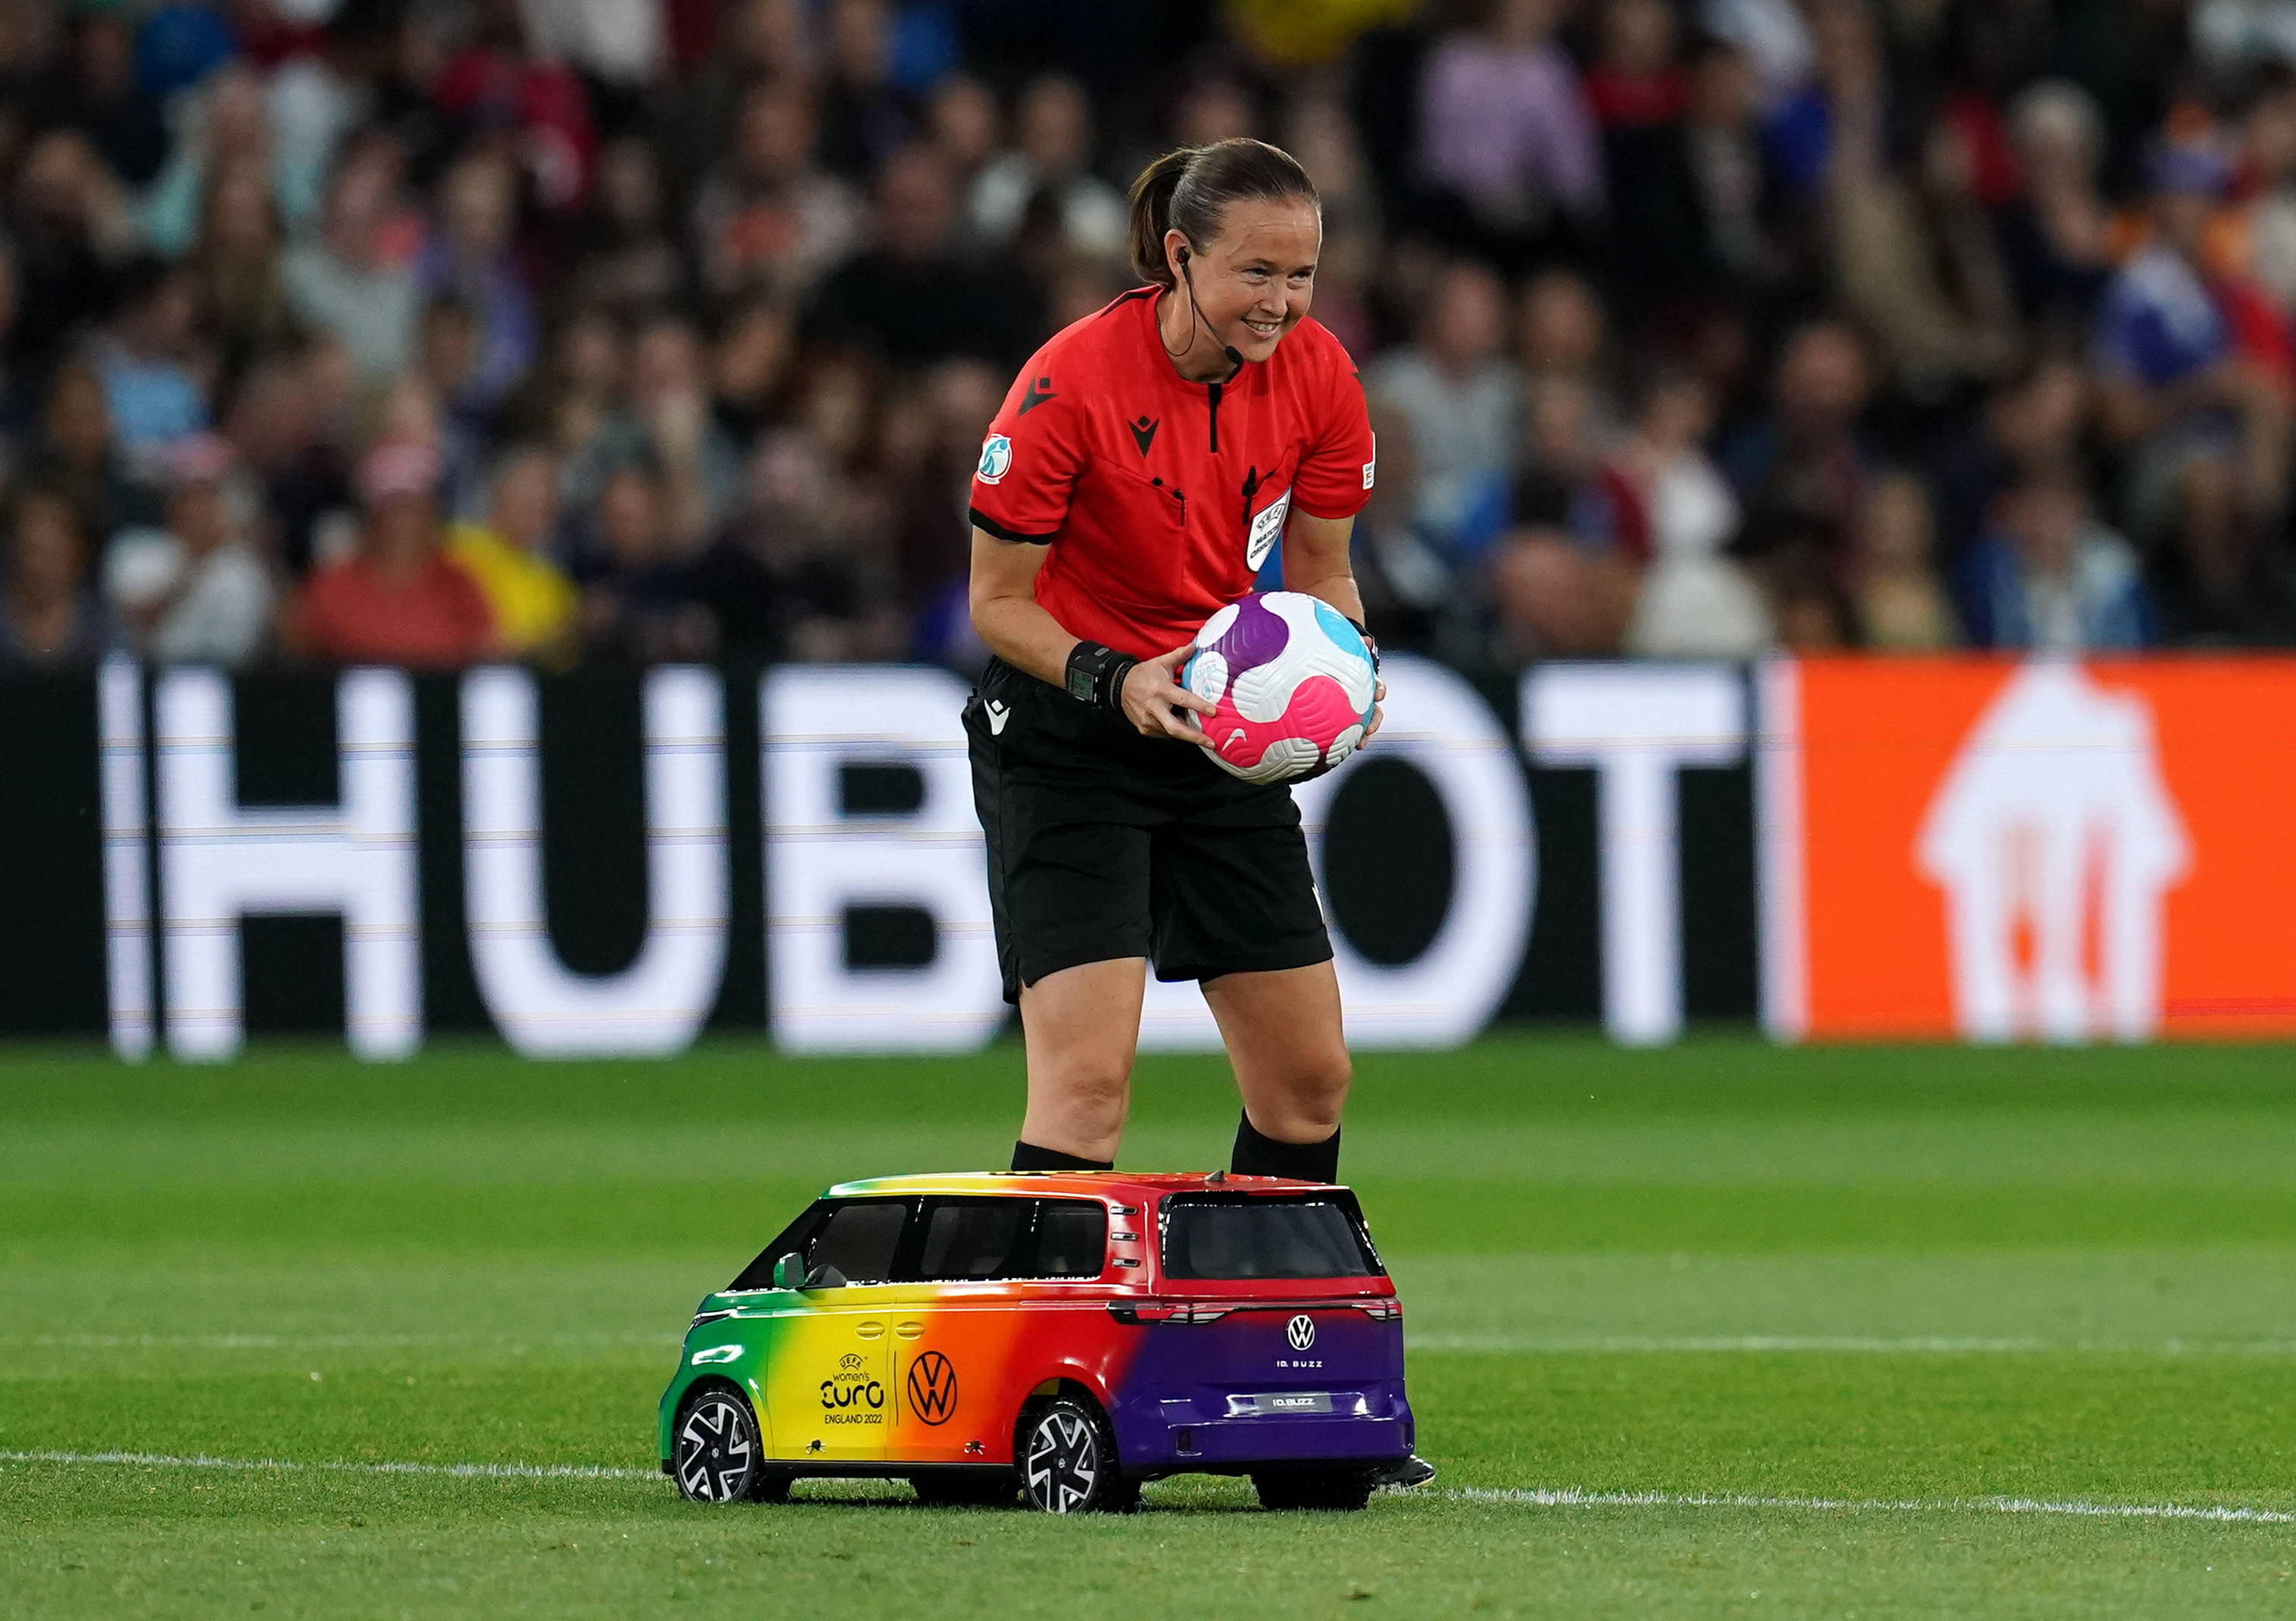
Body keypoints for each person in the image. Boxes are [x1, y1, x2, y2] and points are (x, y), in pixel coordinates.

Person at [963, 139, 1380, 1188]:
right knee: (1086, 1090)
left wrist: (1349, 669)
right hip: (1069, 737)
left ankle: (1271, 1330)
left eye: (1301, 276)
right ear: (1181, 255)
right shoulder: (1068, 384)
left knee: (1307, 1080)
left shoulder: (1322, 376)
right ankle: (1047, 1348)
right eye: (1257, 272)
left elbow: (1324, 572)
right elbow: (997, 604)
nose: (1282, 304)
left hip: (1221, 735)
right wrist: (1116, 676)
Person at [284, 439, 498, 666]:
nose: (403, 525)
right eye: (393, 511)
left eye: (415, 511)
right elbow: (297, 652)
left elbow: (489, 653)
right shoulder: (332, 584)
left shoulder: (458, 585)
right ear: (371, 518)